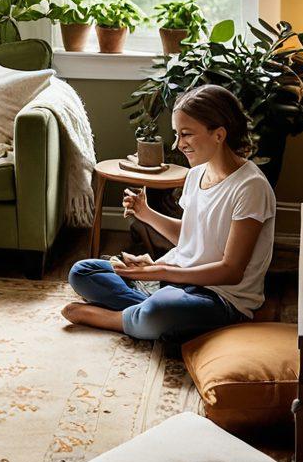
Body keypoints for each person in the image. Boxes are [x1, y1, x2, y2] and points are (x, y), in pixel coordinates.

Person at [63, 84, 276, 341]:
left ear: (219, 135)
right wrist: (146, 213)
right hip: (178, 280)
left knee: (160, 310)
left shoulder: (250, 187)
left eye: (186, 135)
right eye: (177, 134)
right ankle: (149, 313)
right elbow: (190, 237)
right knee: (83, 272)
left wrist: (159, 272)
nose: (178, 144)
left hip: (219, 296)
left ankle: (120, 318)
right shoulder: (197, 173)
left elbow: (231, 271)